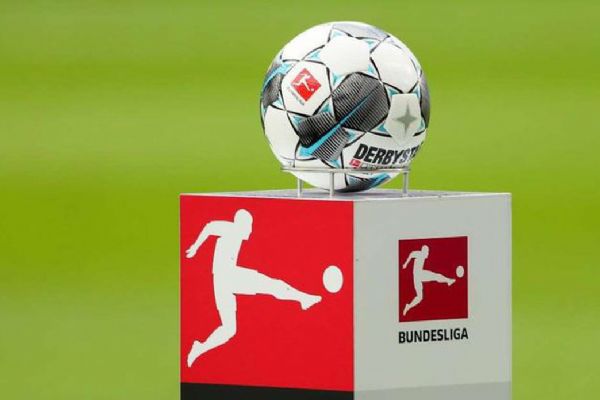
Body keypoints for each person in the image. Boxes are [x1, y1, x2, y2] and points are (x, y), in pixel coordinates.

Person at [185, 209, 321, 367]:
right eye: (249, 225)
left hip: (221, 282)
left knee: (229, 329)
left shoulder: (236, 234)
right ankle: (303, 298)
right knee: (272, 285)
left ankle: (199, 348)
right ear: (242, 224)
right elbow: (210, 227)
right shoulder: (231, 229)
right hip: (229, 275)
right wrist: (195, 246)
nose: (251, 230)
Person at [402, 245, 455, 316]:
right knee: (436, 276)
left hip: (416, 278)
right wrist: (405, 263)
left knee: (419, 297)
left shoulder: (422, 255)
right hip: (419, 274)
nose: (428, 254)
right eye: (427, 252)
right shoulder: (419, 254)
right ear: (424, 251)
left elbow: (411, 255)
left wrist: (406, 263)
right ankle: (448, 281)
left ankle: (408, 306)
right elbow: (411, 254)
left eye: (428, 252)